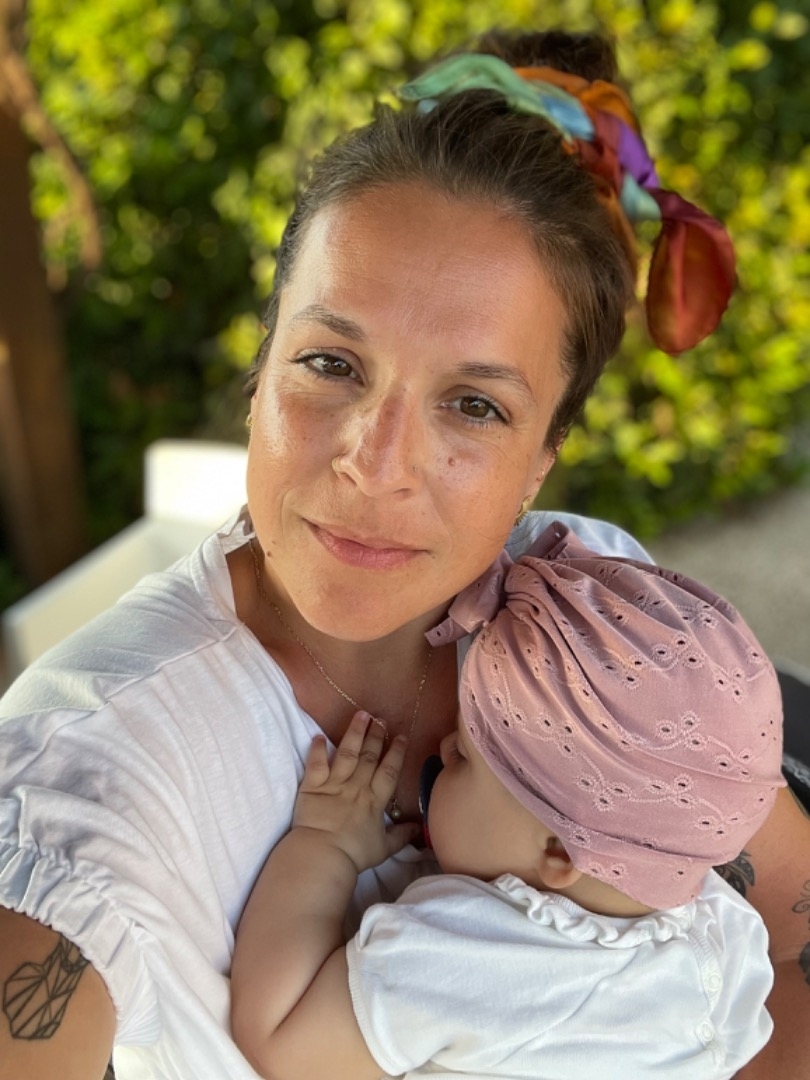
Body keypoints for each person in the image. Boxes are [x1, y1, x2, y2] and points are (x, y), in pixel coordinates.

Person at [0, 26, 806, 1080]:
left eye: (473, 405)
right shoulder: (89, 771)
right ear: (260, 373)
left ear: (543, 458)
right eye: (332, 363)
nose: (376, 466)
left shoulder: (591, 624)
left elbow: (787, 922)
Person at [230, 521, 784, 1079]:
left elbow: (279, 1039)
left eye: (465, 758)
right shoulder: (727, 937)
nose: (442, 747)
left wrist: (323, 846)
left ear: (560, 853)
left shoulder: (465, 953)